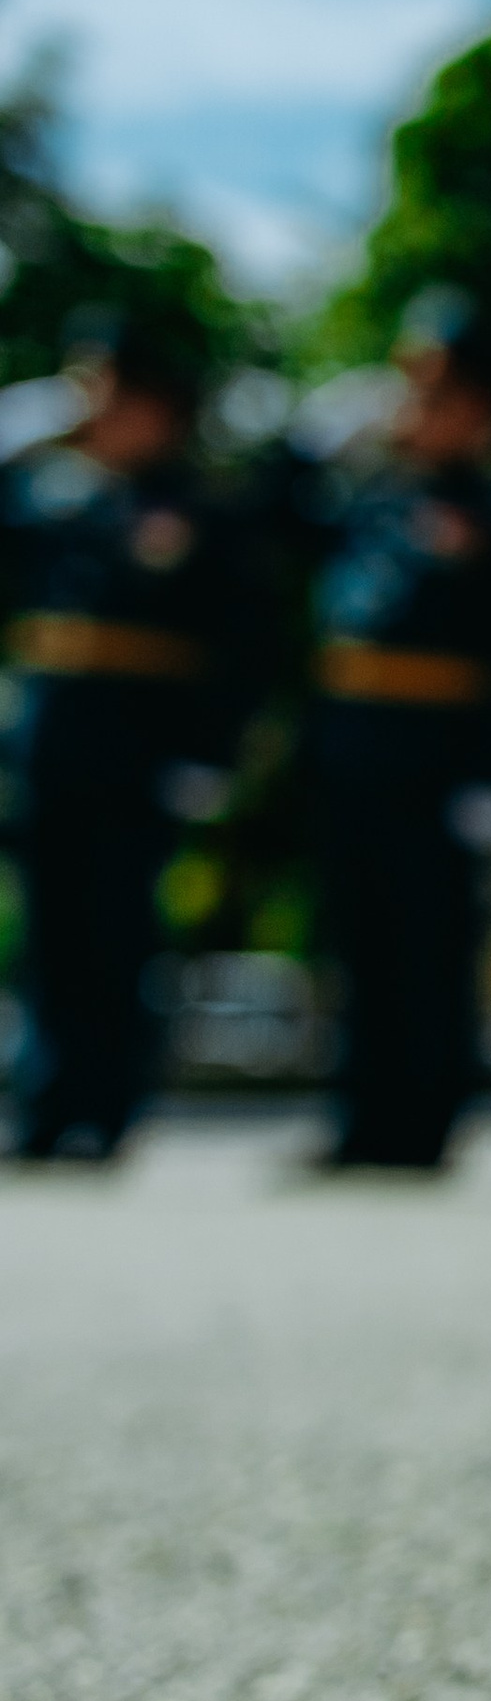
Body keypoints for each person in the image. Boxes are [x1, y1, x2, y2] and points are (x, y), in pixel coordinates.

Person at [0, 312, 260, 1159]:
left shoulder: (197, 502)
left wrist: (208, 753)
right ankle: (45, 1105)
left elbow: (235, 640)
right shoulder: (42, 488)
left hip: (140, 747)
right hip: (50, 739)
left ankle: (107, 1108)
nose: (96, 407)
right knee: (50, 934)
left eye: (112, 391)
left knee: (117, 934)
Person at [295, 291, 491, 1172]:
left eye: (440, 393)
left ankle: (426, 1123)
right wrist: (317, 434)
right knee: (358, 944)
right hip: (356, 748)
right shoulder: (372, 492)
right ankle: (361, 1120)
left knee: (431, 946)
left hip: (444, 756)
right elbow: (269, 518)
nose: (417, 410)